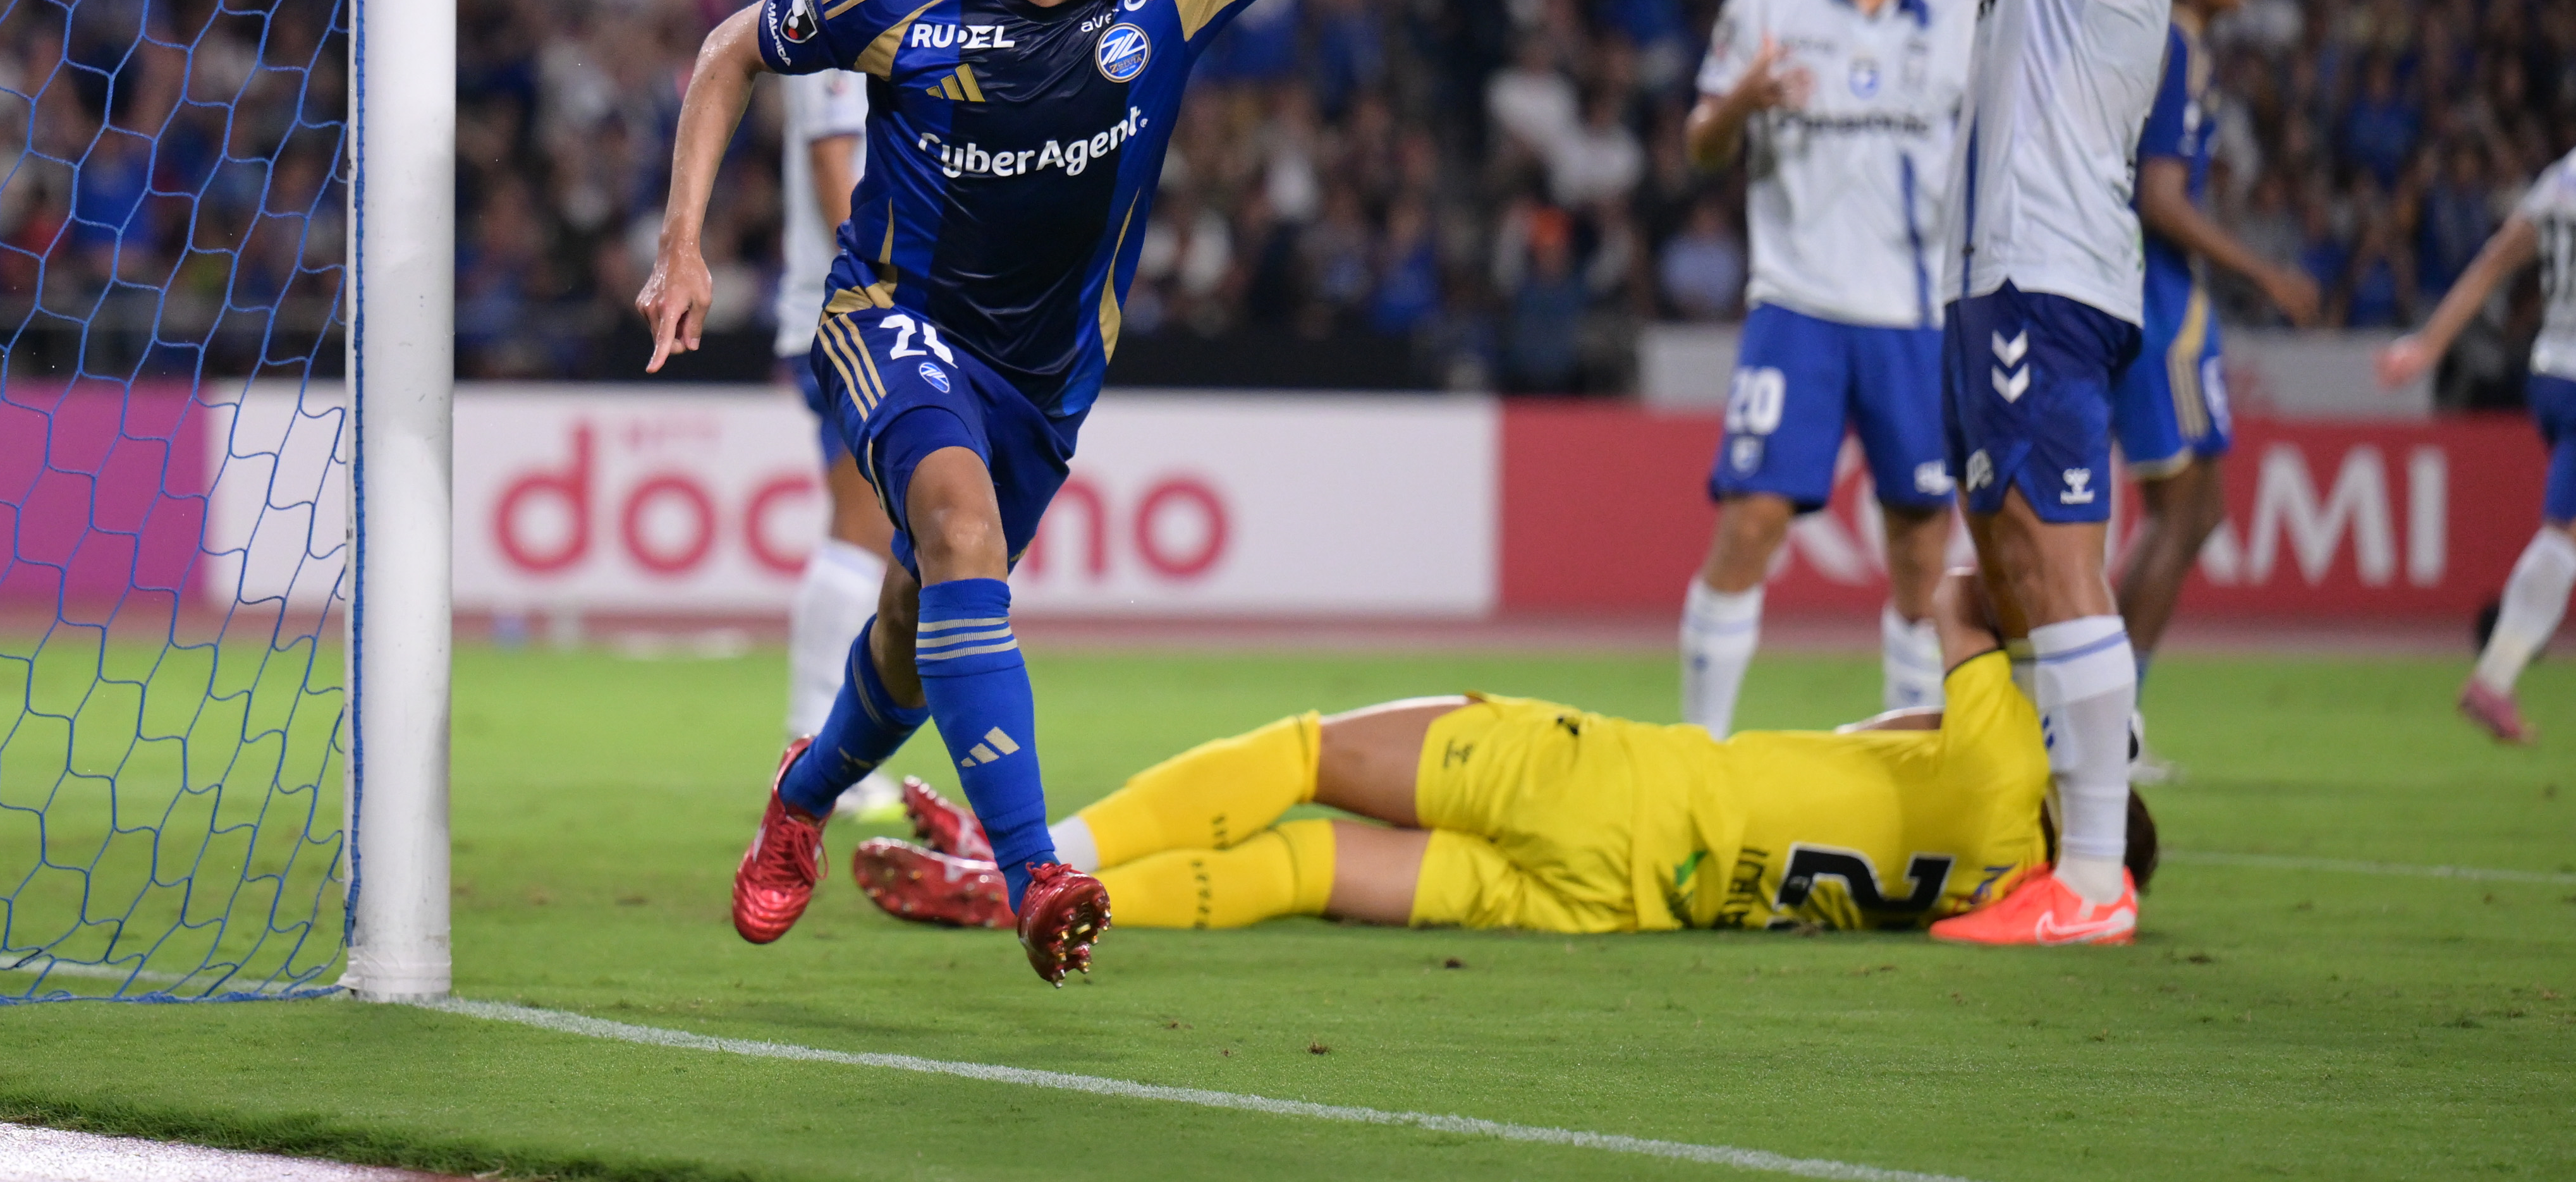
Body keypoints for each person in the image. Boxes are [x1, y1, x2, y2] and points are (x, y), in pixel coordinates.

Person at [637, 0, 1609, 983]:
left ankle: (801, 795)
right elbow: (727, 50)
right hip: (893, 321)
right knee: (958, 530)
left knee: (917, 627)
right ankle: (1034, 871)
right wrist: (683, 245)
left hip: (1046, 379)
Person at [853, 571, 2158, 940]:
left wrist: (2065, 631)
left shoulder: (2004, 768)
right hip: (1616, 902)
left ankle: (1038, 858)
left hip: (1612, 781)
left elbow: (1963, 595)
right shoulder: (1992, 888)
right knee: (1305, 870)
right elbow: (1871, 754)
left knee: (1303, 755)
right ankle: (1028, 900)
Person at [1846, 0, 2197, 946]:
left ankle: (2092, 877)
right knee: (2007, 570)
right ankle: (2058, 841)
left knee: (2049, 567)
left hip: (2043, 265)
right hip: (2011, 269)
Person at [1680, 0, 1975, 738]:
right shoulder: (1767, 2)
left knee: (1920, 545)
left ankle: (1902, 757)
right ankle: (1699, 751)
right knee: (1751, 522)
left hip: (1917, 316)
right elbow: (1699, 146)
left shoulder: (1963, 19)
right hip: (1797, 306)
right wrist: (1742, 99)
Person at [774, 0, 986, 819]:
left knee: (896, 533)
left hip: (897, 304)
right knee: (863, 525)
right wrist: (880, 289)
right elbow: (835, 162)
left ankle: (830, 744)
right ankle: (815, 749)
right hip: (853, 308)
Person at [2108, 0, 2321, 768]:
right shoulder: (2173, 48)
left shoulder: (2176, 49)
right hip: (2159, 303)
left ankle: (2105, 715)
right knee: (2179, 512)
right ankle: (2107, 725)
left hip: (2164, 299)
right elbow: (2159, 200)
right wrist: (2264, 272)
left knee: (2199, 514)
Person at [2376, 145, 2576, 745]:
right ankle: (2494, 678)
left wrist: (2428, 345)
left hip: (2550, 371)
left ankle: (2498, 675)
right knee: (2563, 535)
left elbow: (2493, 263)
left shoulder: (2561, 177)